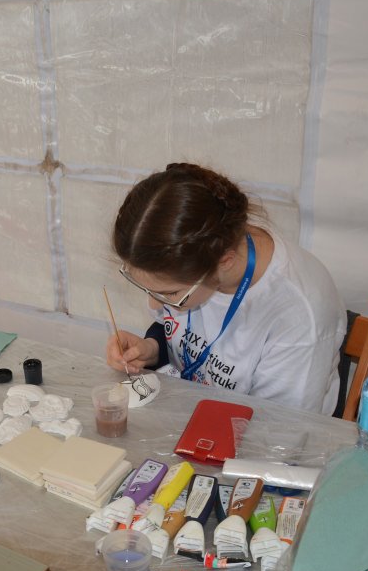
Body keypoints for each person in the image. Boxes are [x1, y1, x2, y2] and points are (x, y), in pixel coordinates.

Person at [106, 162, 346, 415]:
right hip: (191, 410)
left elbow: (279, 427)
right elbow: (180, 334)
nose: (154, 305)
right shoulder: (205, 241)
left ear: (224, 262)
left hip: (259, 430)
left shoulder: (298, 315)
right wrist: (152, 348)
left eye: (170, 294)